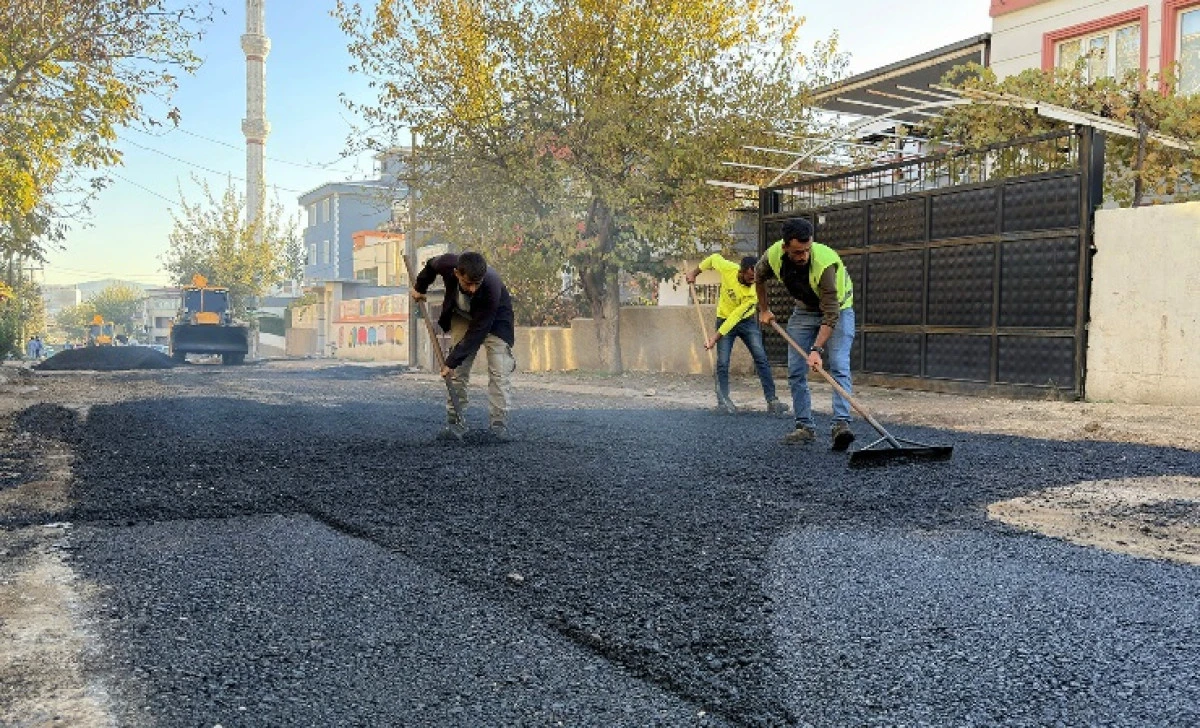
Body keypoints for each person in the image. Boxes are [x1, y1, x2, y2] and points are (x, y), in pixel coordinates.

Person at [756, 218, 857, 449]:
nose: (803, 256)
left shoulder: (825, 264)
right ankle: (804, 427)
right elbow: (759, 278)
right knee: (795, 370)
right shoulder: (772, 256)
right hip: (803, 310)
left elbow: (831, 315)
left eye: (807, 250)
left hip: (839, 309)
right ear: (785, 247)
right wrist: (764, 309)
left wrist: (816, 349)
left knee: (840, 365)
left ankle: (841, 425)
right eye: (798, 252)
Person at [412, 250, 516, 441]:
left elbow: (478, 332)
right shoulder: (447, 263)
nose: (474, 289)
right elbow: (430, 265)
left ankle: (498, 427)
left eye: (478, 283)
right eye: (469, 283)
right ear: (457, 274)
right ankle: (455, 424)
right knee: (458, 373)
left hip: (495, 320)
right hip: (462, 315)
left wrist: (450, 361)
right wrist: (420, 288)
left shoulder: (491, 286)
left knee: (499, 373)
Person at [685, 254, 788, 416]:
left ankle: (772, 401)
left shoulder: (754, 292)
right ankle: (723, 401)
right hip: (723, 318)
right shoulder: (728, 269)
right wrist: (694, 273)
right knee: (723, 362)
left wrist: (714, 338)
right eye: (750, 276)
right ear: (742, 271)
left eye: (755, 277)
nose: (753, 280)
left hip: (745, 322)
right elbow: (712, 259)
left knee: (761, 358)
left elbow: (736, 317)